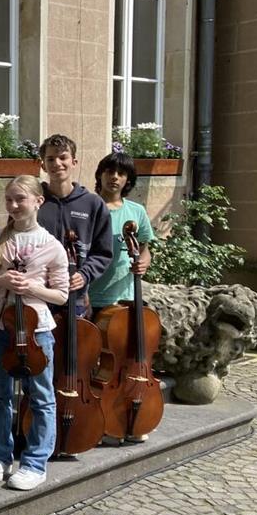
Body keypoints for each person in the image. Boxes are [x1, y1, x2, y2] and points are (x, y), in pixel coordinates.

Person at [0, 176, 69, 491]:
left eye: (20, 199)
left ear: (38, 201)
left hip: (36, 328)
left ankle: (35, 462)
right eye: (9, 200)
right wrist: (1, 281)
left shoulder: (52, 246)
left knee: (41, 395)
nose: (13, 206)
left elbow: (62, 296)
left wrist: (34, 287)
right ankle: (0, 456)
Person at [89, 151, 156, 444]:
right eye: (109, 171)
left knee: (127, 361)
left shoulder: (136, 212)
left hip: (127, 296)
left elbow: (145, 247)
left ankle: (131, 414)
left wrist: (144, 261)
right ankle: (99, 419)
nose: (114, 177)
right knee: (95, 364)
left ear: (128, 180)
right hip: (93, 296)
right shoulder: (91, 208)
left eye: (121, 173)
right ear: (100, 174)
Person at [37, 133, 113, 315]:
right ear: (43, 165)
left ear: (74, 162)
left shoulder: (93, 204)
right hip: (39, 295)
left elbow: (103, 252)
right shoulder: (34, 201)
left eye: (63, 157)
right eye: (50, 159)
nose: (57, 163)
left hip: (75, 295)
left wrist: (85, 274)